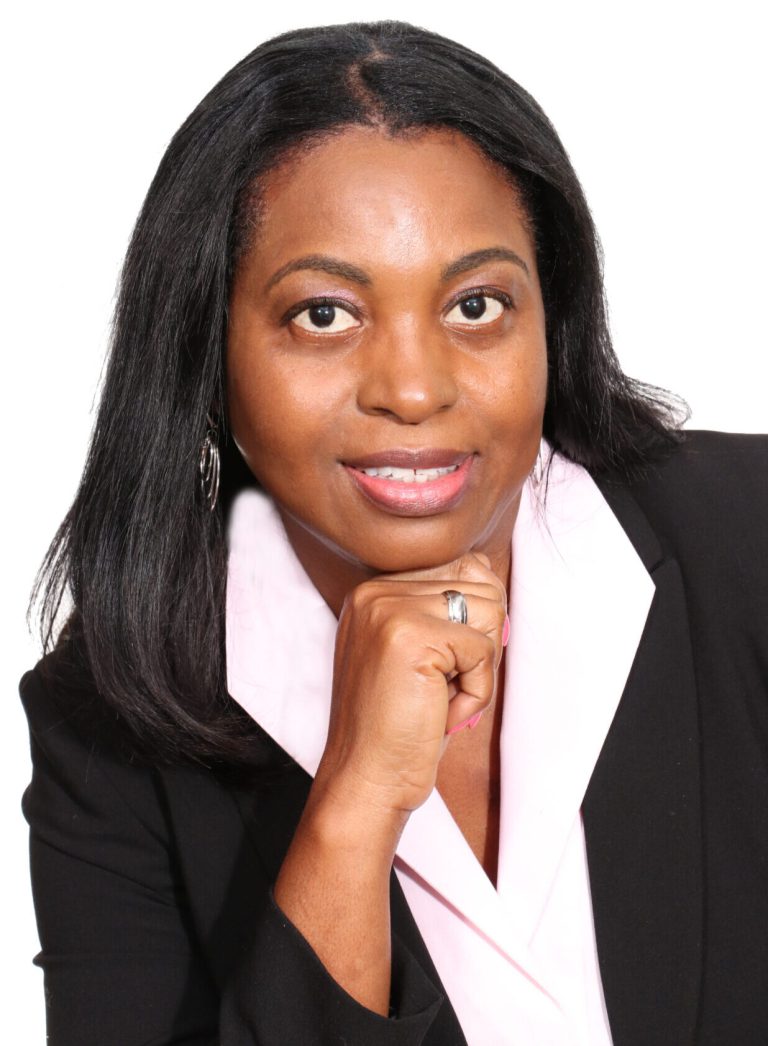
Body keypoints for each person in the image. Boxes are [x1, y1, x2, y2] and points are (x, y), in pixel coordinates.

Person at [20, 20, 767, 1046]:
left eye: (476, 303)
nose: (414, 389)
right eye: (324, 315)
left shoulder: (749, 540)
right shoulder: (109, 716)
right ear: (205, 343)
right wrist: (355, 803)